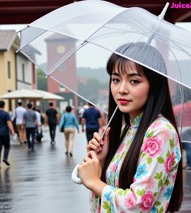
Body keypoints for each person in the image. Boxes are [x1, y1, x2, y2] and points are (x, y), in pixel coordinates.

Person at [77, 43, 183, 212]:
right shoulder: (128, 129)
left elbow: (137, 205)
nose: (122, 90)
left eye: (134, 81)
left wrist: (94, 182)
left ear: (153, 85)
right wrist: (101, 161)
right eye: (116, 80)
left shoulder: (161, 132)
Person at [173, 90, 191, 172]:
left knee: (187, 147)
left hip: (184, 128)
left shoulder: (182, 107)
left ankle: (188, 165)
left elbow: (173, 111)